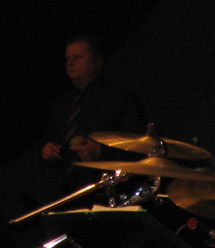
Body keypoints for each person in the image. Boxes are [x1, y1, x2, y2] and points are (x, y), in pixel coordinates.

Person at [36, 34, 146, 199]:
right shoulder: (63, 104)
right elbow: (51, 140)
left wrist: (102, 151)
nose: (70, 63)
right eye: (68, 59)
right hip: (68, 193)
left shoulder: (119, 97)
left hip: (109, 191)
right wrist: (47, 150)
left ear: (97, 61)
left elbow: (140, 143)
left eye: (78, 57)